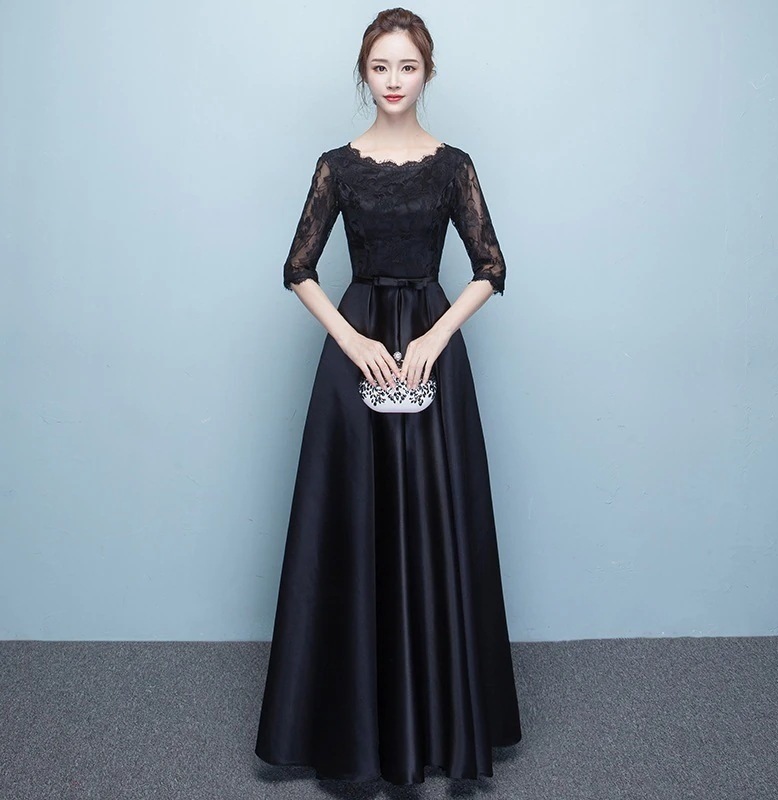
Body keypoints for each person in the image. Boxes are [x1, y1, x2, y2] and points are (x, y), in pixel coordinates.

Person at [255, 7, 521, 786]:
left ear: (427, 72)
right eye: (380, 67)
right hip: (360, 349)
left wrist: (436, 337)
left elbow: (492, 266)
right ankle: (354, 732)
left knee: (436, 522)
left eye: (407, 66)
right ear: (363, 74)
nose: (394, 80)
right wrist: (353, 341)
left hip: (432, 350)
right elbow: (298, 268)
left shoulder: (454, 166)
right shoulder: (337, 166)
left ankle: (439, 729)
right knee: (352, 524)